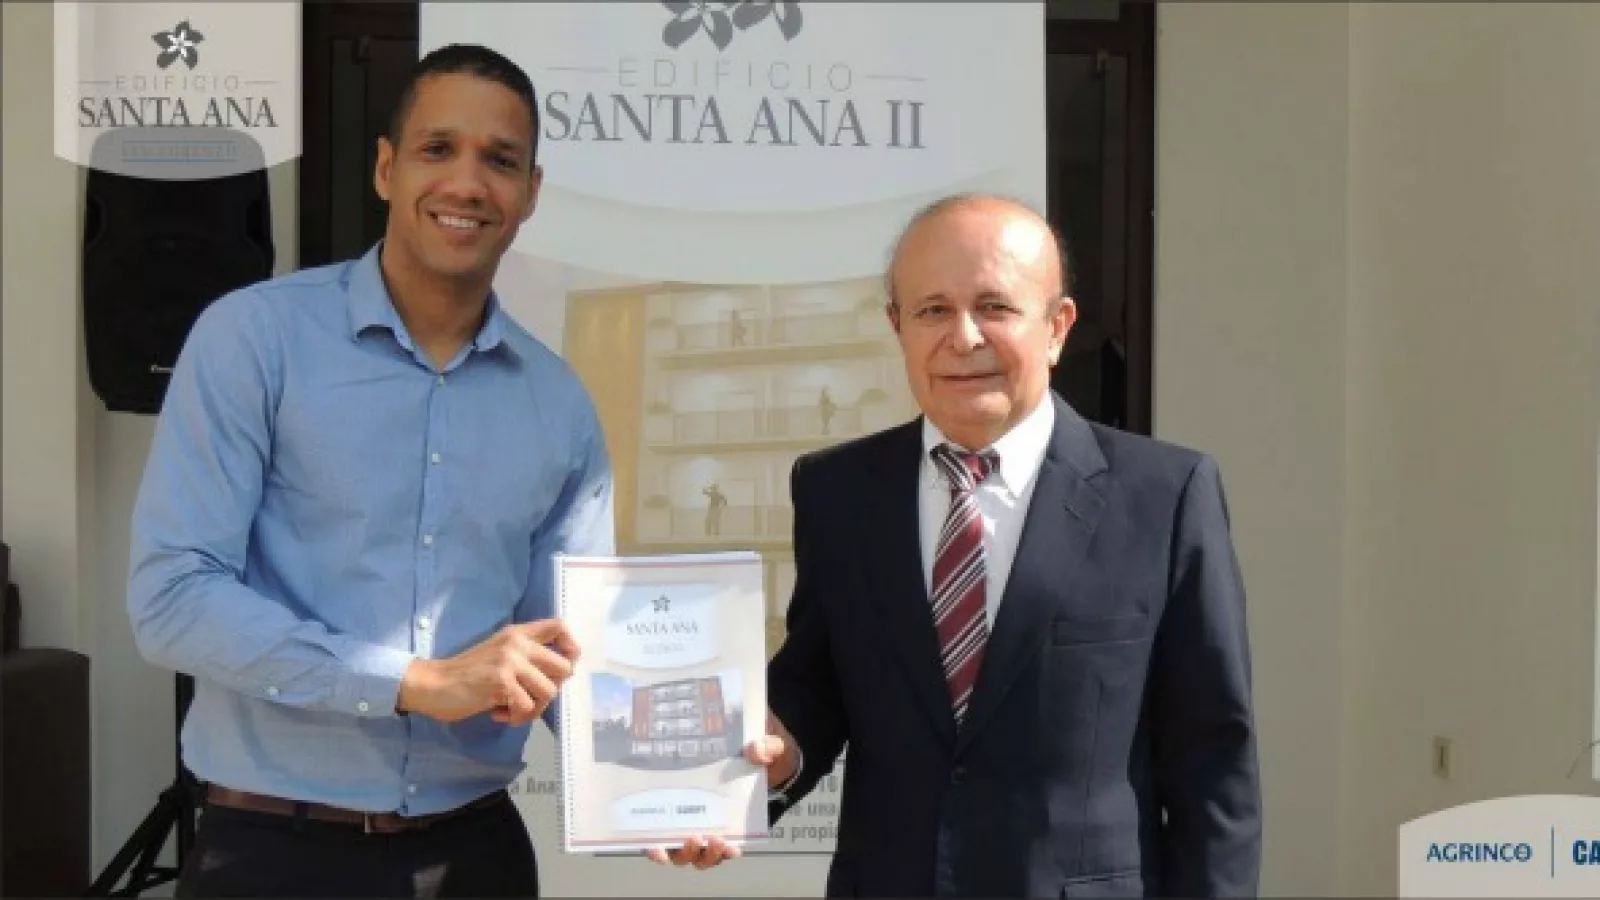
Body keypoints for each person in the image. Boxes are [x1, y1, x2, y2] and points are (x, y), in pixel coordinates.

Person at [125, 44, 702, 898]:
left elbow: (569, 649)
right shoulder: (253, 340)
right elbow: (173, 599)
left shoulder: (558, 404)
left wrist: (671, 784)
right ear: (387, 169)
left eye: (500, 160)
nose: (468, 183)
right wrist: (415, 683)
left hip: (475, 857)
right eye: (438, 149)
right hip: (273, 854)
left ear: (530, 192)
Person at [654, 194, 1262, 896]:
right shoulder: (837, 492)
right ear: (898, 326)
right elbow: (818, 684)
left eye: (995, 307)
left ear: (1057, 327)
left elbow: (1213, 761)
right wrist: (758, 765)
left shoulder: (1163, 496)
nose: (963, 337)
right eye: (933, 310)